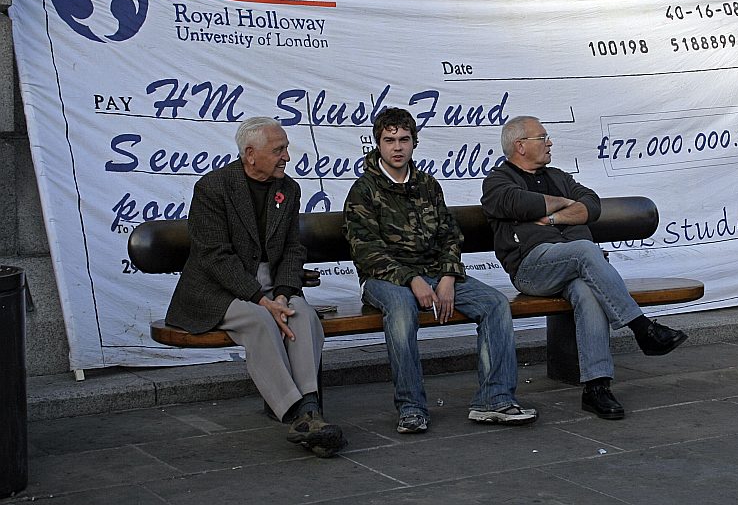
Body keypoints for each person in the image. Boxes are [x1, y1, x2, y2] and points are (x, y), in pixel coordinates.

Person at [343, 107, 537, 433]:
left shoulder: (428, 185)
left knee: (494, 304)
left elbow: (450, 235)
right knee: (403, 310)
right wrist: (412, 279)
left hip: (436, 272)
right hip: (384, 279)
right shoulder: (364, 191)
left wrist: (447, 276)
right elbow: (366, 252)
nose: (397, 147)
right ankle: (411, 407)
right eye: (389, 140)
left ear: (414, 143)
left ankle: (494, 399)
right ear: (378, 144)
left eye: (404, 139)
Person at [481, 115, 688, 420]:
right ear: (520, 146)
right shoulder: (497, 181)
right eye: (542, 138)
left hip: (573, 267)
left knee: (587, 291)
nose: (549, 142)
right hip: (532, 268)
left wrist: (554, 216)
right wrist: (563, 204)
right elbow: (521, 204)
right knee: (585, 251)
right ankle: (642, 328)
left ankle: (596, 387)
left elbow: (590, 204)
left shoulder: (558, 176)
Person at [165, 117, 345, 457]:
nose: (287, 157)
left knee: (302, 316)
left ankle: (309, 410)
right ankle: (297, 415)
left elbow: (292, 248)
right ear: (250, 154)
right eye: (278, 150)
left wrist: (282, 292)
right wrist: (262, 300)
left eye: (286, 148)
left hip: (271, 286)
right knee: (262, 321)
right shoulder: (212, 188)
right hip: (217, 289)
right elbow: (215, 257)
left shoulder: (288, 189)